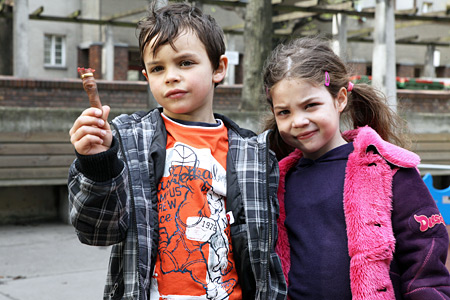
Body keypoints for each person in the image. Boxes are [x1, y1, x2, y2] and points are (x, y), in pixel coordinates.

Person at [68, 3, 286, 300]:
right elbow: (96, 232)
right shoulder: (127, 141)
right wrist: (98, 164)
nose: (170, 76)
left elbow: (267, 259)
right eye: (158, 68)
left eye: (185, 63)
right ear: (146, 76)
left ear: (219, 68)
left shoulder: (255, 156)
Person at [262, 36, 450, 300]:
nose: (298, 121)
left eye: (311, 105)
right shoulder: (275, 182)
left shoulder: (389, 170)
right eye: (284, 112)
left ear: (340, 99)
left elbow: (425, 258)